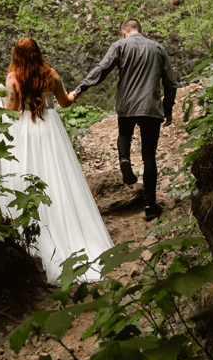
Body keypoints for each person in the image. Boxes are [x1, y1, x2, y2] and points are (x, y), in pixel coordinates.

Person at [0, 37, 113, 283]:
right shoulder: (51, 75)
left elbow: (12, 110)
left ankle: (32, 238)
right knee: (59, 182)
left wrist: (0, 101)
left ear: (16, 55)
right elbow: (66, 103)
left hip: (26, 132)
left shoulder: (13, 78)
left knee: (27, 177)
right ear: (37, 52)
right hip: (50, 130)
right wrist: (76, 92)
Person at [70, 20, 177, 221]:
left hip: (127, 106)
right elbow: (171, 82)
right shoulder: (158, 48)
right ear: (141, 31)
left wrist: (80, 89)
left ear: (124, 32)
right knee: (149, 157)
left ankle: (124, 159)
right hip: (151, 108)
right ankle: (150, 206)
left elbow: (101, 69)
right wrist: (168, 108)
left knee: (124, 134)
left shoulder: (120, 45)